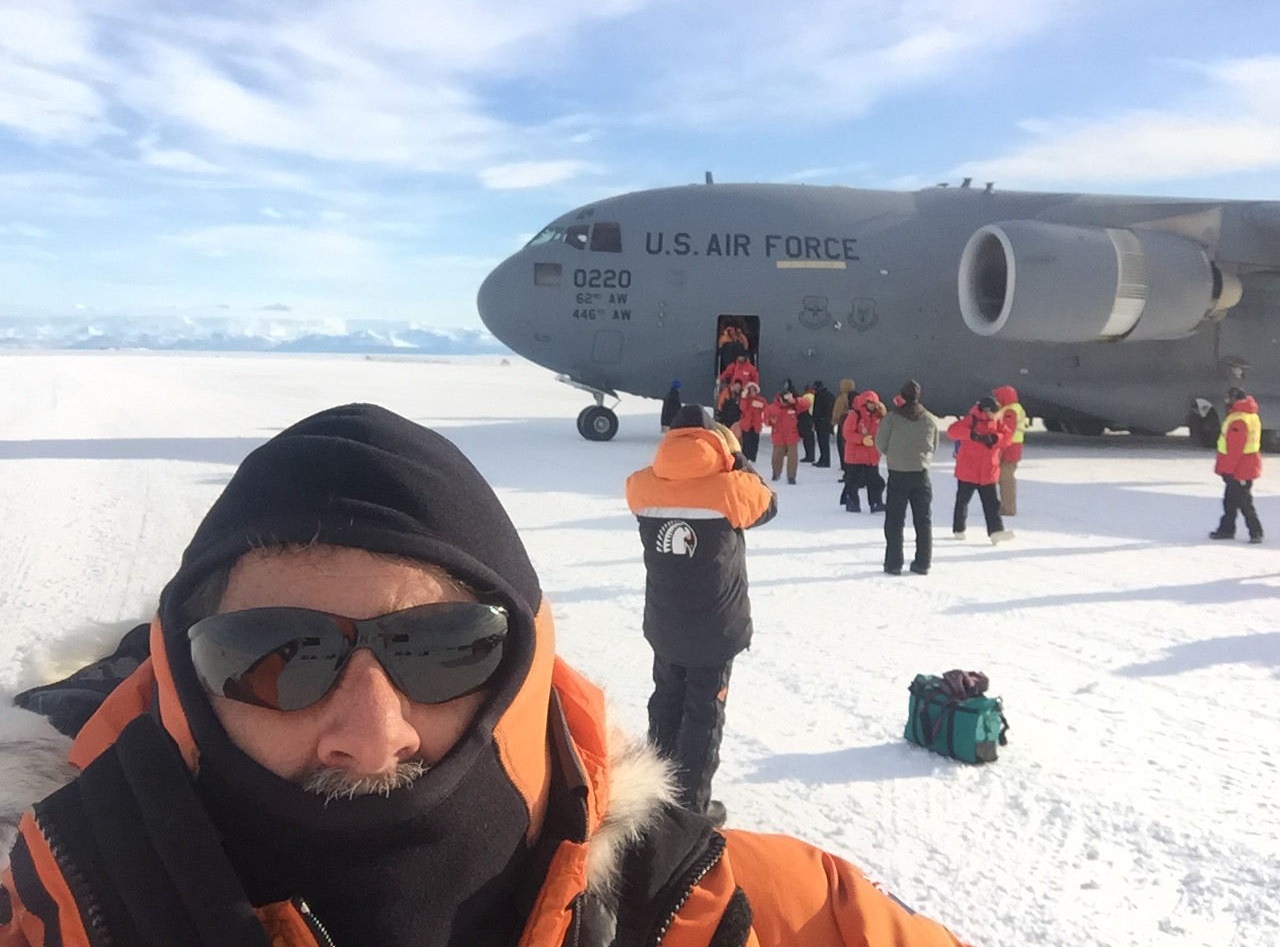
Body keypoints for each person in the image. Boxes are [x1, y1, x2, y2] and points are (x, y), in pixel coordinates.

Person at [0, 403, 971, 947]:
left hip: (664, 619)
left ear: (519, 668)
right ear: (184, 682)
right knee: (693, 715)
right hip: (714, 622)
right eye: (272, 659)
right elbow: (753, 503)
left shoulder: (735, 910)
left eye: (442, 647)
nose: (370, 731)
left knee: (675, 700)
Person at [625, 406, 776, 826]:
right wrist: (738, 460)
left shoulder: (642, 486)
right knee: (703, 716)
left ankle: (653, 792)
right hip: (714, 628)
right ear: (713, 439)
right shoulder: (730, 489)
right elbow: (768, 504)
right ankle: (690, 812)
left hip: (665, 623)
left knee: (665, 705)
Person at [876, 380, 939, 575]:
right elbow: (933, 445)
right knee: (923, 520)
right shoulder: (929, 419)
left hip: (898, 473)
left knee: (894, 520)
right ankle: (923, 562)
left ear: (902, 396)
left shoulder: (892, 418)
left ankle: (893, 563)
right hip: (921, 474)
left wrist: (895, 456)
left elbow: (880, 443)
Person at [947, 396, 1015, 544]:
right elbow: (952, 431)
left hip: (988, 471)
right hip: (968, 470)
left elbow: (1009, 437)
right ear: (986, 411)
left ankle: (996, 531)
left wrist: (995, 438)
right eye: (993, 412)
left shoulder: (997, 423)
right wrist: (970, 434)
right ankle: (959, 528)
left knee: (991, 503)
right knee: (962, 501)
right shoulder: (971, 420)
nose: (996, 415)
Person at [1210, 386, 1265, 543]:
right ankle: (1226, 529)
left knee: (1244, 502)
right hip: (1244, 467)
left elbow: (1235, 449)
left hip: (1239, 469)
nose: (1227, 402)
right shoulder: (1249, 415)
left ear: (1235, 399)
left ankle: (1255, 532)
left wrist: (1227, 470)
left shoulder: (1239, 419)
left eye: (1229, 399)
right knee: (1230, 501)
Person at [841, 390, 887, 512]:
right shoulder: (855, 415)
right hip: (855, 456)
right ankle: (852, 503)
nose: (871, 405)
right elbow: (847, 433)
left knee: (875, 481)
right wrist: (862, 439)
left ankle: (876, 502)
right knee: (853, 482)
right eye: (869, 402)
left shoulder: (879, 416)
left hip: (871, 456)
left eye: (873, 403)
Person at [992, 385, 1027, 516]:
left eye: (998, 396)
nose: (996, 399)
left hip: (1010, 449)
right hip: (1013, 447)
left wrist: (998, 447)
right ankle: (1005, 505)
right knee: (1004, 478)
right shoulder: (1013, 408)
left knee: (1006, 479)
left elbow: (1007, 431)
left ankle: (1008, 508)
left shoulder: (1010, 411)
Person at [765, 384, 808, 484]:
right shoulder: (772, 408)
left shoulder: (794, 406)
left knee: (793, 457)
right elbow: (765, 419)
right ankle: (776, 473)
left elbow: (807, 404)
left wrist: (795, 400)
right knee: (777, 456)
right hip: (778, 435)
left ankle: (791, 476)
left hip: (792, 435)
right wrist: (770, 421)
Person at [831, 377, 857, 472]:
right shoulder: (856, 397)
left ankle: (844, 466)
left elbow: (837, 411)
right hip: (854, 423)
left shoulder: (842, 398)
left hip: (843, 423)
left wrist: (834, 421)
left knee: (841, 445)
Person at [737, 380, 767, 462]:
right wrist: (743, 397)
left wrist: (761, 406)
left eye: (754, 389)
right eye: (750, 389)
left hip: (756, 424)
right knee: (746, 442)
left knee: (754, 442)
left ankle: (753, 458)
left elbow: (766, 408)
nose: (752, 391)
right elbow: (742, 408)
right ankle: (745, 458)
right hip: (747, 424)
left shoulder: (761, 400)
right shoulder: (746, 399)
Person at [810, 380, 836, 468]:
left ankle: (825, 461)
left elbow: (817, 410)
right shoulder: (830, 395)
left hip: (821, 423)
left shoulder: (819, 396)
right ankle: (824, 460)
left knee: (823, 443)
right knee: (824, 443)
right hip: (827, 422)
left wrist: (815, 420)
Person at [797, 384, 817, 463]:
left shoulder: (806, 397)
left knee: (807, 439)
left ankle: (809, 456)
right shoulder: (815, 396)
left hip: (806, 419)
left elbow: (802, 406)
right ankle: (811, 455)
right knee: (811, 439)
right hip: (812, 418)